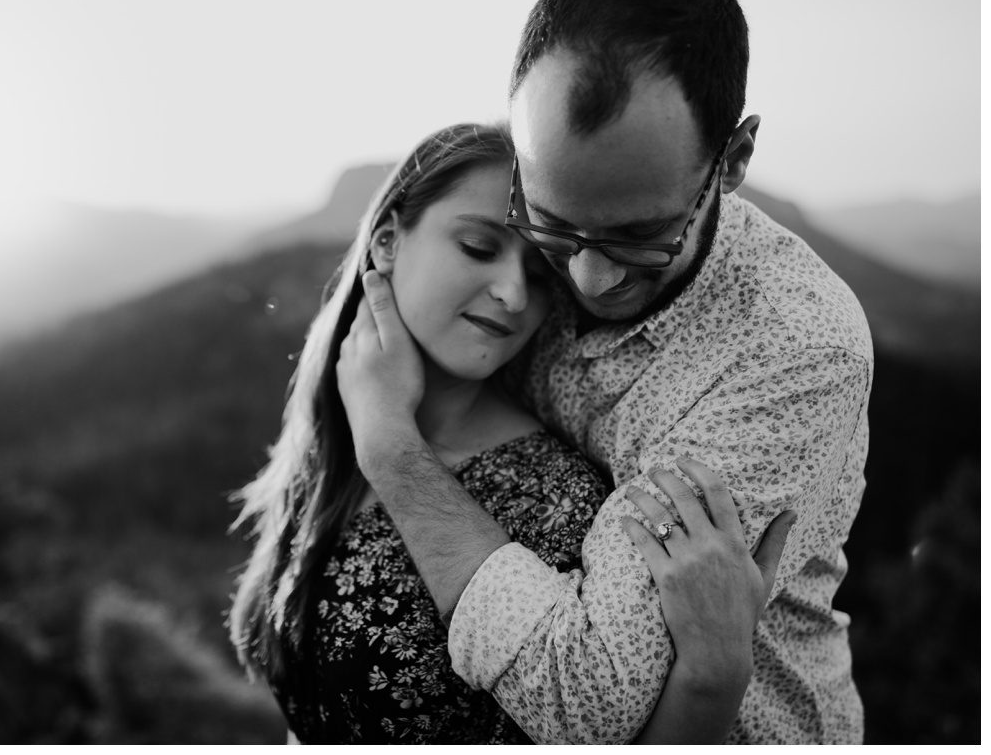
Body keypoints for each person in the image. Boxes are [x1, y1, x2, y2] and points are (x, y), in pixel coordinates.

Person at [336, 0, 872, 745]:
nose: (585, 276)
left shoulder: (794, 347)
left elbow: (587, 699)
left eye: (640, 236)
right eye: (550, 223)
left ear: (733, 159)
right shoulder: (525, 270)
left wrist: (392, 452)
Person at [229, 122, 793, 744]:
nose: (512, 293)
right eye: (477, 247)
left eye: (541, 270)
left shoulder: (555, 506)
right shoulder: (325, 456)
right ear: (387, 241)